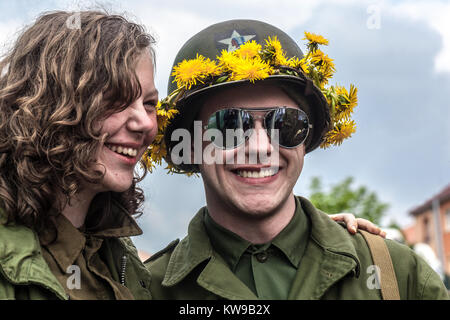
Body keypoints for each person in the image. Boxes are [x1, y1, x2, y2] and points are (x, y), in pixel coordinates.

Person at [144, 19, 449, 300]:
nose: (261, 147)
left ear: (306, 138)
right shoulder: (144, 290)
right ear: (192, 145)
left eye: (286, 123)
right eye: (230, 125)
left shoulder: (395, 274)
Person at [0, 11, 158, 300]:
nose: (146, 123)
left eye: (149, 103)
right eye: (117, 99)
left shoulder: (117, 257)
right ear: (50, 104)